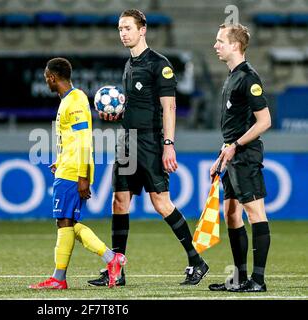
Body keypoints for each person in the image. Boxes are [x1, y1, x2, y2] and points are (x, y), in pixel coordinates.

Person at [88, 9, 209, 287]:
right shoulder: (129, 65)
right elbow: (137, 106)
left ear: (142, 30)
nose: (123, 33)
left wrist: (168, 145)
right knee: (119, 201)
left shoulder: (159, 64)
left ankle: (196, 260)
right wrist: (118, 115)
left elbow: (170, 107)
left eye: (128, 28)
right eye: (120, 29)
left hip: (151, 142)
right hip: (127, 140)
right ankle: (117, 270)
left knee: (161, 203)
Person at [29, 57, 126, 290]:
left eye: (46, 78)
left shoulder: (73, 101)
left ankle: (62, 277)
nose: (46, 82)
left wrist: (82, 175)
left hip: (74, 172)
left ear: (52, 77)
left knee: (64, 222)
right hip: (69, 166)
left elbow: (84, 141)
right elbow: (72, 140)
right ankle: (109, 260)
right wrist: (60, 160)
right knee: (68, 223)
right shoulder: (71, 99)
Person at [208, 23, 272, 293]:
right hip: (232, 153)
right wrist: (222, 153)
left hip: (245, 154)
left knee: (254, 212)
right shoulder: (232, 75)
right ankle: (239, 278)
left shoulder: (248, 77)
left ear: (235, 45)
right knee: (231, 213)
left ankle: (258, 280)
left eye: (221, 40)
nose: (216, 45)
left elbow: (265, 121)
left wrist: (234, 145)